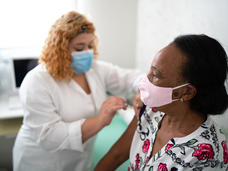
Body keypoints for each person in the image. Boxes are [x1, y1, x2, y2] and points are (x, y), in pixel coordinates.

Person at [13, 11, 142, 171]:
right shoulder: (38, 81)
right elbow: (49, 137)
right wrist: (100, 120)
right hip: (41, 162)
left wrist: (144, 91)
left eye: (90, 45)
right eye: (79, 47)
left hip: (80, 160)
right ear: (59, 49)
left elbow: (130, 78)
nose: (87, 52)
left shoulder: (95, 70)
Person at [95, 34, 228, 171]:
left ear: (186, 92)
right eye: (150, 71)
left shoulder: (207, 154)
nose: (145, 80)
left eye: (155, 75)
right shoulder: (150, 110)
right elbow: (115, 156)